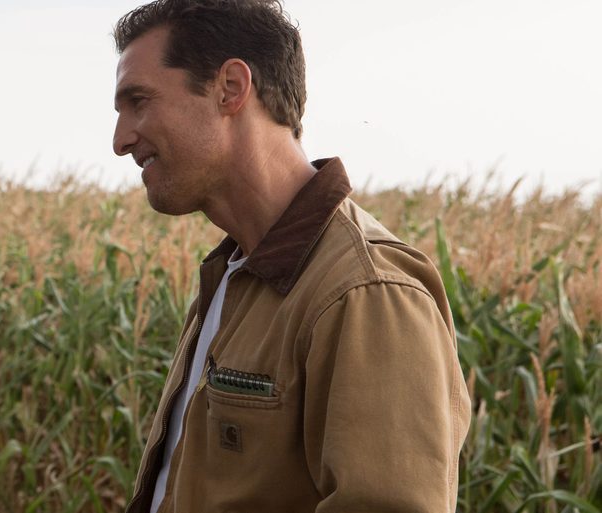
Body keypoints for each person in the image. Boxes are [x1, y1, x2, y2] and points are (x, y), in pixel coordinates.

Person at [109, 1, 470, 512]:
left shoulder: (365, 292)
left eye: (139, 101)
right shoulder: (235, 276)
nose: (121, 140)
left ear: (230, 88)